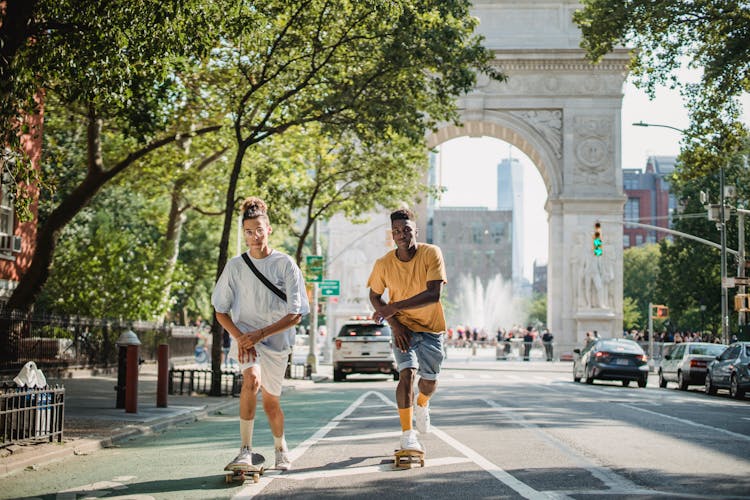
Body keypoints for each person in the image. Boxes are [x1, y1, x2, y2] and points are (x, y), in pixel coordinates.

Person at [212, 196, 310, 472]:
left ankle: (280, 447)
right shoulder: (235, 266)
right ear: (243, 234)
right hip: (246, 339)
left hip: (277, 342)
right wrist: (242, 337)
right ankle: (245, 450)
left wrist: (259, 334)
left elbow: (296, 314)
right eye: (248, 231)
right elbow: (220, 310)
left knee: (271, 403)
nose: (254, 236)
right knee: (250, 381)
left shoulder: (285, 264)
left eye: (258, 230)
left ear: (268, 229)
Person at [368, 208, 447, 453]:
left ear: (416, 230)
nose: (402, 235)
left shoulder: (431, 253)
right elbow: (374, 296)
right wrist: (395, 322)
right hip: (403, 329)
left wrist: (393, 307)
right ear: (392, 234)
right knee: (407, 373)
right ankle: (407, 434)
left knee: (429, 382)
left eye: (406, 230)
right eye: (397, 231)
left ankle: (422, 404)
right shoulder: (383, 264)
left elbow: (434, 294)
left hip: (432, 329)